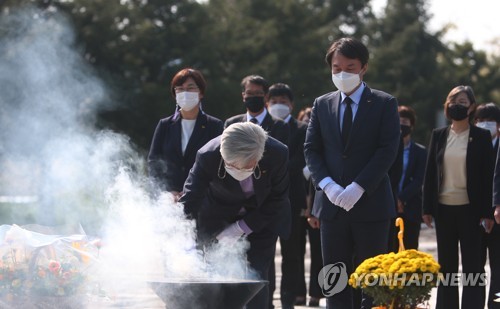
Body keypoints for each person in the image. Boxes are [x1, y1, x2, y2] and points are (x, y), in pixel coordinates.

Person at [304, 37, 400, 309]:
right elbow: (311, 149)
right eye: (336, 68)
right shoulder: (322, 104)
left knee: (371, 283)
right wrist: (328, 185)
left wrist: (359, 186)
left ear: (364, 67)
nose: (342, 73)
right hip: (332, 208)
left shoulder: (384, 103)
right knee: (335, 281)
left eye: (350, 67)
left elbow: (386, 150)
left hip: (371, 205)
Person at [179, 122, 291, 309]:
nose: (236, 170)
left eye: (243, 167)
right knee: (216, 275)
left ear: (257, 159)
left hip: (263, 217)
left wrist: (240, 228)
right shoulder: (207, 155)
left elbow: (278, 199)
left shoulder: (277, 153)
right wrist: (182, 235)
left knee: (256, 274)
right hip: (218, 214)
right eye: (230, 165)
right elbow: (190, 198)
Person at [422, 85, 494, 309]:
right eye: (453, 101)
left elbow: (488, 177)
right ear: (447, 105)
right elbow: (430, 173)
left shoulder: (481, 137)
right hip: (444, 210)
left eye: (463, 102)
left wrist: (488, 213)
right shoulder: (439, 135)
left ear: (472, 107)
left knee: (473, 266)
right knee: (447, 266)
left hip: (471, 211)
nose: (457, 105)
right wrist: (427, 208)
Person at [148, 68, 223, 200]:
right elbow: (154, 162)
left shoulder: (214, 125)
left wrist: (194, 191)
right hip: (168, 201)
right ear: (175, 94)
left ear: (201, 93)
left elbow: (220, 163)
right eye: (180, 89)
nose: (185, 93)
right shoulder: (164, 125)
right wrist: (165, 192)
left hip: (203, 200)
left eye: (190, 88)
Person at [265, 83, 307, 309]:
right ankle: (267, 300)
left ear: (291, 105)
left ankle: (288, 302)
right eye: (274, 102)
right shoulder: (264, 127)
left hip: (292, 200)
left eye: (283, 102)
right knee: (266, 254)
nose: (278, 106)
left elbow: (300, 160)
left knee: (292, 255)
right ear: (267, 104)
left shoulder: (301, 128)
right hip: (266, 201)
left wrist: (274, 167)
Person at [296, 107, 323, 307]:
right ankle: (298, 292)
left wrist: (312, 206)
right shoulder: (294, 145)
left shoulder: (322, 145)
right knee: (295, 253)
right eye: (305, 119)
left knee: (318, 252)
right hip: (296, 208)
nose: (308, 123)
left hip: (315, 209)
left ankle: (316, 292)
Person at [473, 102, 500, 309]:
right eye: (480, 120)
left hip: (498, 216)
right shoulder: (471, 145)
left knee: (498, 267)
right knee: (475, 267)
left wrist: (493, 211)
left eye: (489, 121)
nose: (484, 125)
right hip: (474, 216)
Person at [391, 105, 426, 250]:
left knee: (410, 249)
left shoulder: (420, 152)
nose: (401, 125)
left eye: (405, 121)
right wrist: (394, 198)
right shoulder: (387, 149)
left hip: (411, 207)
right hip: (389, 206)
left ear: (411, 125)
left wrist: (401, 198)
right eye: (398, 121)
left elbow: (419, 179)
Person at [224, 75, 289, 146]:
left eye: (258, 93)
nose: (253, 96)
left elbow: (280, 154)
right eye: (249, 93)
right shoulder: (232, 124)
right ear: (243, 96)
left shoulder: (280, 126)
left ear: (266, 96)